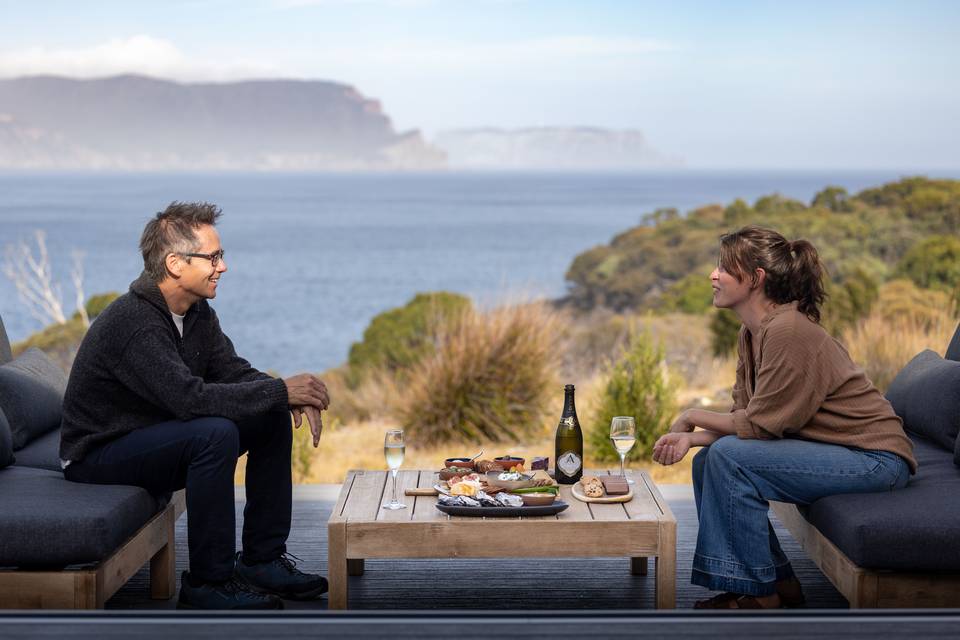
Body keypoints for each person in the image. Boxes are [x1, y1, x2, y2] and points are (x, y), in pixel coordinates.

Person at [60, 202, 332, 610]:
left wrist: (285, 395)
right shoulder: (134, 322)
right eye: (214, 257)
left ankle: (261, 560)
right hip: (98, 452)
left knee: (269, 416)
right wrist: (280, 391)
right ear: (175, 263)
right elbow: (188, 400)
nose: (223, 267)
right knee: (214, 433)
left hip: (152, 437)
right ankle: (207, 583)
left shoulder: (197, 311)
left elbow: (233, 372)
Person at [652, 225, 916, 609]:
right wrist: (692, 440)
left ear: (756, 279)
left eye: (724, 267)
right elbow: (751, 420)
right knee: (710, 459)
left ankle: (761, 595)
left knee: (725, 458)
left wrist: (692, 416)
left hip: (874, 459)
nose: (713, 275)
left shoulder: (788, 331)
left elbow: (759, 426)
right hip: (834, 450)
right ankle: (779, 581)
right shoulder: (752, 332)